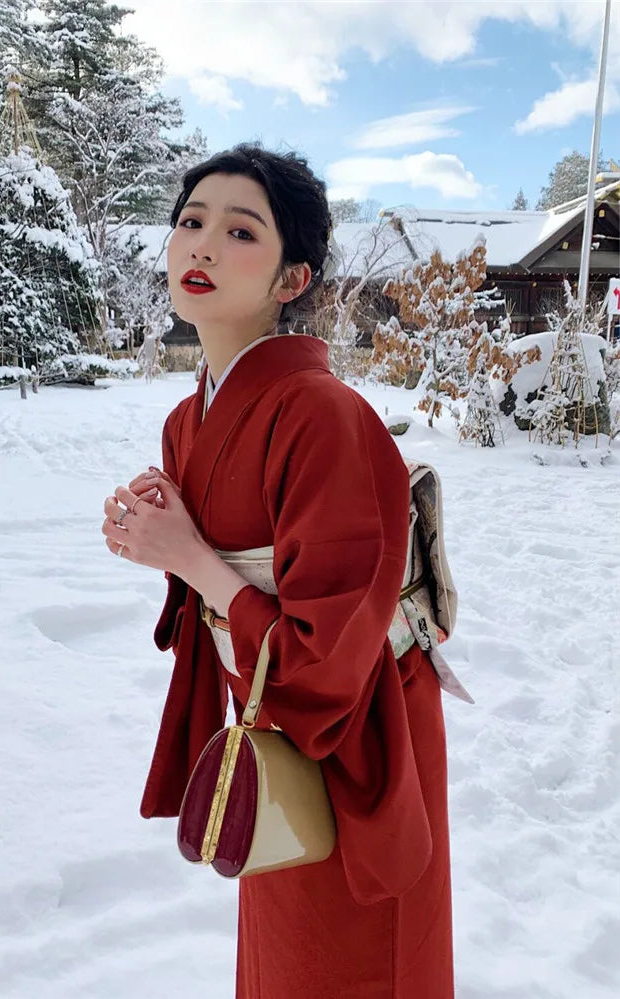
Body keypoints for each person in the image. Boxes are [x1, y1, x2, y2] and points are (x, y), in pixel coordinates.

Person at [101, 143, 454, 999]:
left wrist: (189, 557)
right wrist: (154, 535)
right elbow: (210, 592)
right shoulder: (188, 423)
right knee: (279, 954)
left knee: (355, 960)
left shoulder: (325, 416)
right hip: (267, 720)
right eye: (190, 222)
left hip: (358, 727)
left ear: (292, 279)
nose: (203, 245)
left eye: (240, 229)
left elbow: (325, 658)